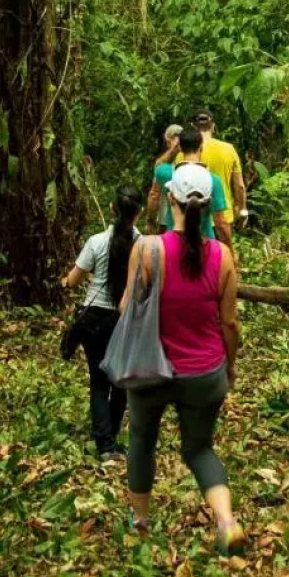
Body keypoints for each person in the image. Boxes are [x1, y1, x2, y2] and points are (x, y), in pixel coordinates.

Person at [123, 164, 244, 553]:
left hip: (150, 369)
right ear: (208, 205)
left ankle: (140, 524)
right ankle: (226, 523)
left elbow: (127, 306)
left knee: (142, 441)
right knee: (200, 449)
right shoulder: (223, 257)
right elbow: (229, 323)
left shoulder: (146, 249)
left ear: (170, 199)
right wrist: (231, 365)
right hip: (205, 371)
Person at [62, 186, 142, 459]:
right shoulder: (143, 245)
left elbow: (73, 279)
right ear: (138, 213)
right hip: (126, 319)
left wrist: (64, 281)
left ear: (112, 209)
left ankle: (105, 445)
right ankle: (110, 437)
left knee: (99, 381)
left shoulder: (96, 242)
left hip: (95, 318)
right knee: (121, 382)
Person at [146, 127, 227, 238]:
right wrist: (229, 250)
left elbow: (158, 167)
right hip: (204, 241)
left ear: (180, 147)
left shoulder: (166, 173)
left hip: (174, 239)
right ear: (201, 146)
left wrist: (150, 221)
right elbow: (220, 223)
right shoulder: (213, 180)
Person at [194, 112, 247, 248]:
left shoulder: (186, 151)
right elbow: (239, 186)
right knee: (222, 262)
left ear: (193, 127)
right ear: (213, 127)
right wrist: (241, 209)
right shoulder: (228, 149)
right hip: (223, 216)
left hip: (194, 219)